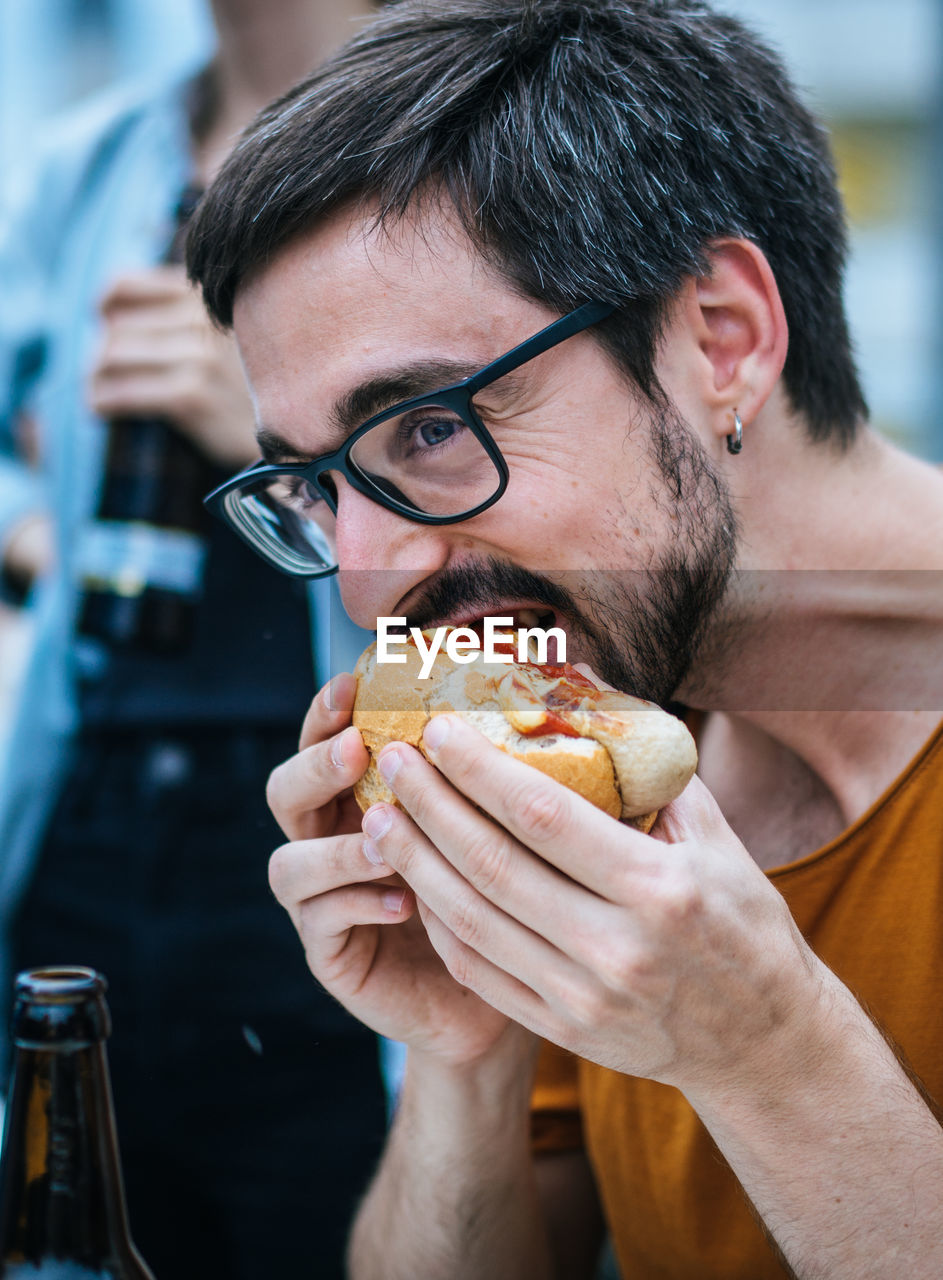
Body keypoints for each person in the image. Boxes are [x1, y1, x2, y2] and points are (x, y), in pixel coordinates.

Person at [186, 0, 943, 1276]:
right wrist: (462, 1050)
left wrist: (765, 1048)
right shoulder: (627, 731)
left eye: (427, 428)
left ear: (722, 338)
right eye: (316, 484)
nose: (367, 581)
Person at [0, 2, 387, 1278]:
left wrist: (273, 446)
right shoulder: (97, 163)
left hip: (324, 808)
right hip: (87, 801)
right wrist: (38, 533)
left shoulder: (455, 132)